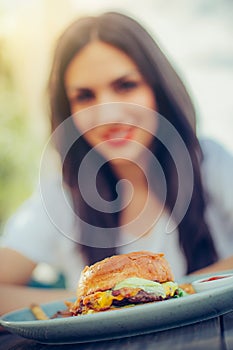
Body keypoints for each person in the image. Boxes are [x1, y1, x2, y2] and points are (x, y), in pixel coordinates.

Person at [0, 11, 233, 315]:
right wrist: (97, 298)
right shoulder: (60, 196)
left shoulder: (209, 162)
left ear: (158, 90)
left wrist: (152, 292)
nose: (107, 114)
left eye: (125, 85)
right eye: (85, 96)